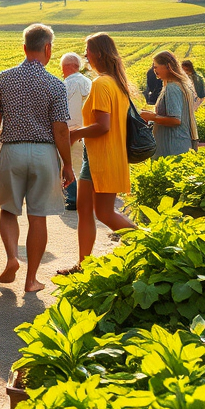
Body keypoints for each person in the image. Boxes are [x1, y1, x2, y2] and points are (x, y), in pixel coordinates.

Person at [0, 23, 75, 293]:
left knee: (8, 211)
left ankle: (12, 257)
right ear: (48, 48)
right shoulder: (55, 84)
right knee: (38, 216)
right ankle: (31, 279)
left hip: (12, 150)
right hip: (44, 153)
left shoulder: (4, 78)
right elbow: (60, 128)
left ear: (24, 48)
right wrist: (67, 164)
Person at [68, 32, 137, 266]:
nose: (85, 55)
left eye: (87, 50)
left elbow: (103, 126)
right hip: (105, 155)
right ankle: (82, 265)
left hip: (101, 156)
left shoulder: (101, 84)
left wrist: (76, 133)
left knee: (104, 213)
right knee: (84, 210)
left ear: (97, 53)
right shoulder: (117, 83)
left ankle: (151, 243)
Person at [140, 51, 196, 158]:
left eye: (156, 67)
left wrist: (153, 117)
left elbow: (175, 120)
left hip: (172, 148)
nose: (154, 70)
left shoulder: (172, 88)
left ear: (168, 67)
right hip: (177, 145)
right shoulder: (177, 85)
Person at [61, 52, 92, 210]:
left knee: (69, 164)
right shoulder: (89, 82)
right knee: (85, 164)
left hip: (70, 131)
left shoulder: (64, 85)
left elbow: (63, 113)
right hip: (88, 130)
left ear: (65, 67)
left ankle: (73, 198)